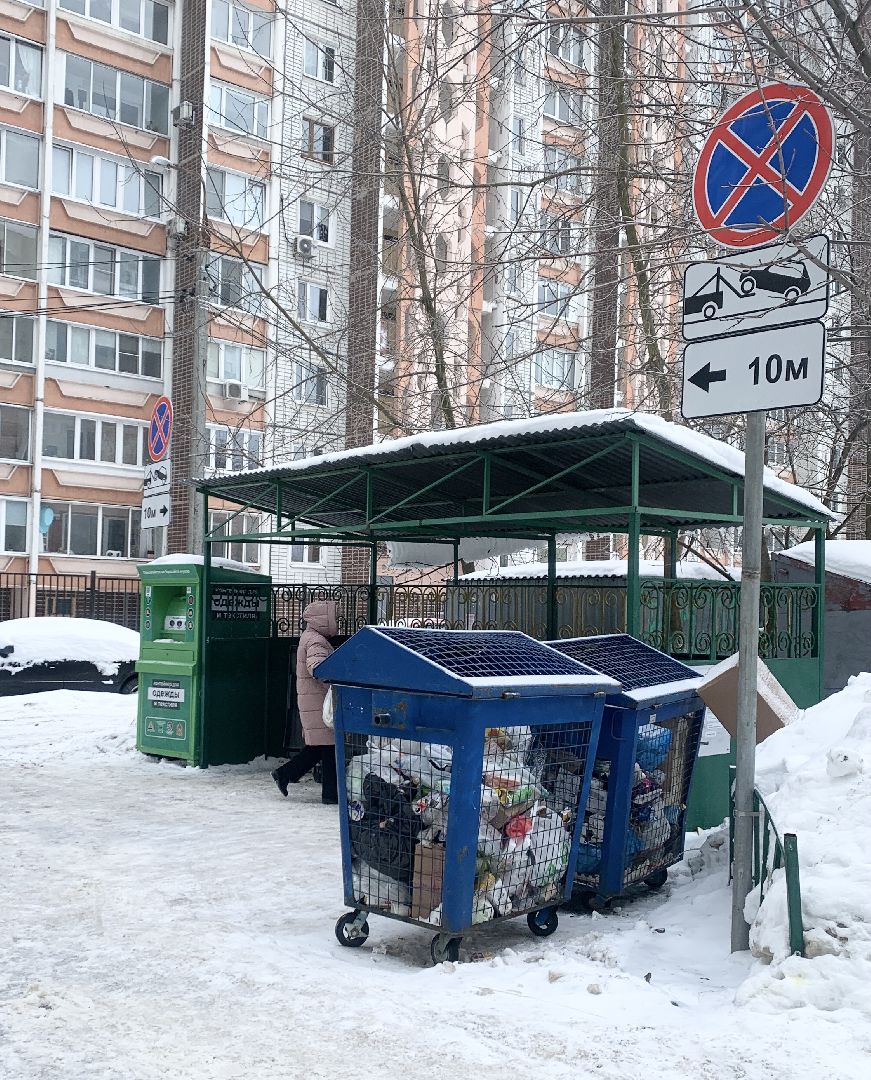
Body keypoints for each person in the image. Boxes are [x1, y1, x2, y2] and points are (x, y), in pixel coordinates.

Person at [271, 599, 339, 804]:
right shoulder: (316, 641)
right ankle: (330, 794)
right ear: (323, 620)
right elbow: (317, 668)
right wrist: (336, 674)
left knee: (320, 747)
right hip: (318, 702)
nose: (337, 621)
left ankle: (285, 774)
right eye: (334, 617)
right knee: (327, 747)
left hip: (314, 701)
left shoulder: (311, 637)